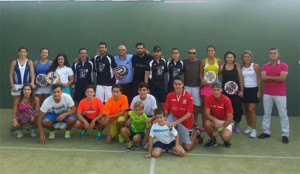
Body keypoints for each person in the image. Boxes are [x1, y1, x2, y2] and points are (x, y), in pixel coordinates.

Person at [258, 48, 289, 144]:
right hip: (267, 93)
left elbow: (283, 78)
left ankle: (285, 135)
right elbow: (263, 77)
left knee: (283, 114)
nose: (273, 55)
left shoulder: (284, 65)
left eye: (275, 53)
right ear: (269, 55)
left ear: (278, 54)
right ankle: (266, 132)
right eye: (271, 53)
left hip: (280, 94)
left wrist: (269, 77)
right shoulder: (265, 66)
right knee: (267, 113)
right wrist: (276, 77)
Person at [165, 75, 199, 151]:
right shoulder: (169, 95)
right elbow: (166, 110)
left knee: (187, 148)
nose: (177, 86)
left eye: (179, 84)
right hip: (174, 117)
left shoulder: (188, 96)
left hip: (185, 122)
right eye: (176, 84)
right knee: (164, 126)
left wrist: (175, 123)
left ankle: (196, 133)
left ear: (183, 84)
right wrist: (164, 121)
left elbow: (189, 114)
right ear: (173, 84)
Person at [203, 81, 233, 148]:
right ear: (211, 90)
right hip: (214, 121)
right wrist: (215, 120)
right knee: (207, 123)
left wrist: (218, 130)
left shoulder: (227, 100)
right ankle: (213, 141)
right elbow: (207, 114)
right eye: (214, 90)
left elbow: (230, 119)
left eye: (218, 90)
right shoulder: (208, 98)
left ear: (221, 90)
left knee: (225, 137)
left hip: (225, 122)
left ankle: (226, 141)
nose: (216, 92)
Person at [199, 46, 223, 131]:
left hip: (215, 87)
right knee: (205, 107)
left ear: (214, 52)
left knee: (214, 107)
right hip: (205, 88)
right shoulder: (203, 62)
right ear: (207, 52)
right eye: (209, 51)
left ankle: (214, 123)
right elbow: (200, 73)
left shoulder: (219, 61)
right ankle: (204, 123)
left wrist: (214, 77)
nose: (210, 52)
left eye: (212, 50)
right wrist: (202, 80)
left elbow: (220, 71)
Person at [220, 51, 243, 133]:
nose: (229, 59)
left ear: (234, 58)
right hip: (225, 92)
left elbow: (240, 79)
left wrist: (241, 90)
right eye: (228, 57)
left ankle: (237, 124)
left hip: (236, 92)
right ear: (225, 58)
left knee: (237, 108)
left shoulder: (237, 67)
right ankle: (226, 124)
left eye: (231, 57)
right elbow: (215, 75)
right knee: (225, 108)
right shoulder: (222, 67)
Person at [130, 82, 158, 147]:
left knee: (154, 122)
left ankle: (149, 139)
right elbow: (132, 112)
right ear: (138, 91)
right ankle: (138, 138)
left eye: (144, 90)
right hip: (138, 117)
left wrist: (151, 119)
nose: (142, 92)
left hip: (149, 117)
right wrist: (129, 119)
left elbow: (156, 113)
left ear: (148, 91)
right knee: (127, 123)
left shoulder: (152, 98)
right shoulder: (135, 98)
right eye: (140, 90)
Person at [241, 50, 261, 138]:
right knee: (246, 110)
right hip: (245, 90)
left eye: (248, 57)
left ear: (251, 58)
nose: (246, 58)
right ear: (243, 58)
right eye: (245, 57)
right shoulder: (241, 67)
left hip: (253, 90)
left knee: (251, 109)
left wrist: (259, 91)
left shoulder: (255, 66)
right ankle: (249, 126)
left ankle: (254, 129)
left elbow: (259, 79)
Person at [183, 48, 201, 129]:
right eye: (190, 53)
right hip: (186, 86)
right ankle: (186, 120)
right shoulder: (184, 62)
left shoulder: (200, 62)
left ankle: (195, 121)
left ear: (196, 54)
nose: (192, 54)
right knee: (186, 105)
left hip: (197, 87)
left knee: (196, 105)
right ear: (188, 53)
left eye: (193, 53)